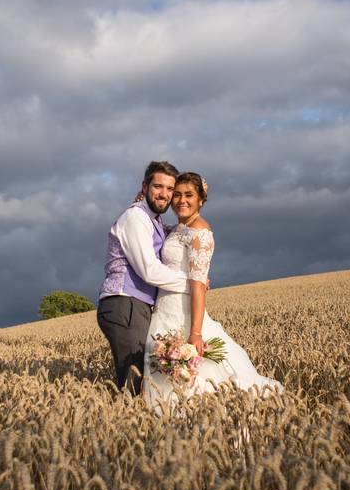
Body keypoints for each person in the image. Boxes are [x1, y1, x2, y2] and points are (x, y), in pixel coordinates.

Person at [142, 172, 282, 408]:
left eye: (189, 195)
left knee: (194, 385)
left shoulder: (200, 232)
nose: (181, 200)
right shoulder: (179, 228)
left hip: (183, 315)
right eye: (177, 195)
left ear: (201, 200)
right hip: (164, 311)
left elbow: (198, 285)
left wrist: (195, 333)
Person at [97, 161, 192, 394]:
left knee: (142, 375)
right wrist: (191, 283)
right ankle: (125, 424)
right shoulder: (136, 218)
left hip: (135, 304)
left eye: (170, 189)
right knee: (134, 380)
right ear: (145, 186)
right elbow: (148, 270)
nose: (165, 194)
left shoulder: (153, 220)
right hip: (124, 302)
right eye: (158, 187)